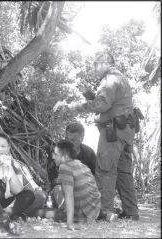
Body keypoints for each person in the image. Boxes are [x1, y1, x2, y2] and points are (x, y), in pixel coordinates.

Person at [55, 52, 139, 221]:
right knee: (123, 172)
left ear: (106, 63)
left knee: (106, 169)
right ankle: (131, 211)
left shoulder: (110, 79)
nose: (94, 67)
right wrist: (88, 94)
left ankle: (104, 211)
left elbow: (102, 105)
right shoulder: (118, 78)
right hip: (125, 129)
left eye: (96, 63)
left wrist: (73, 106)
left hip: (114, 131)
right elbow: (108, 103)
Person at [39, 140, 101, 231]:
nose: (52, 157)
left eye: (55, 154)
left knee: (40, 212)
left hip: (83, 215)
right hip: (94, 210)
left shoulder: (65, 167)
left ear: (64, 157)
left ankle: (72, 217)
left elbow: (69, 196)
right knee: (57, 188)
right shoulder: (79, 164)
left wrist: (69, 223)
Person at [47, 122, 97, 190]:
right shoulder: (57, 151)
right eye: (67, 139)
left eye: (73, 141)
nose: (68, 143)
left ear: (81, 139)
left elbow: (94, 176)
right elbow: (52, 176)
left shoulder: (89, 153)